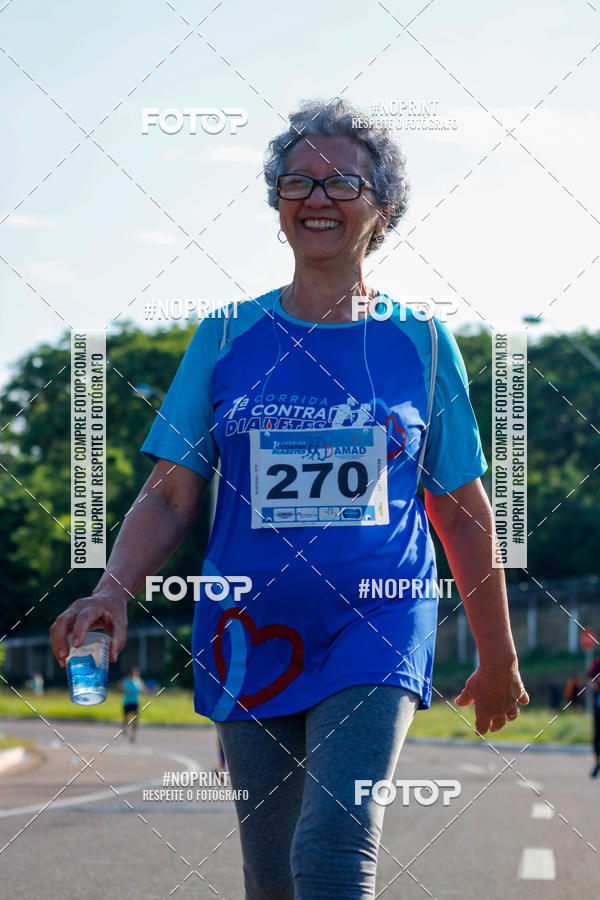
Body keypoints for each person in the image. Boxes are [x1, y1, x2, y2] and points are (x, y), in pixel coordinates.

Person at [50, 97, 529, 899]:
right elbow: (171, 496)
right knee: (272, 877)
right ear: (277, 208)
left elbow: (461, 509)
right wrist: (112, 590)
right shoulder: (227, 337)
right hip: (248, 625)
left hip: (380, 615)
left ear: (385, 209)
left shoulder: (421, 341)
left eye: (344, 183)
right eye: (297, 181)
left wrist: (499, 654)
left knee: (335, 846)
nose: (317, 197)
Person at [121, 665, 145, 742]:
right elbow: (120, 689)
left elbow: (143, 690)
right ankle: (124, 728)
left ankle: (133, 735)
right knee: (126, 719)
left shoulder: (138, 681)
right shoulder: (125, 681)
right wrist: (125, 692)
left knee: (136, 720)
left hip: (135, 703)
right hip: (127, 702)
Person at [588, 657, 600, 777]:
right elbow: (590, 679)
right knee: (596, 737)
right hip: (598, 708)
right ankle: (597, 762)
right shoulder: (597, 663)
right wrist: (594, 685)